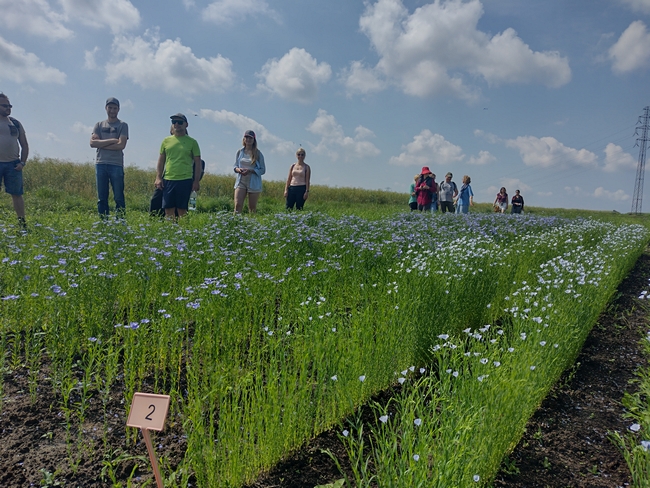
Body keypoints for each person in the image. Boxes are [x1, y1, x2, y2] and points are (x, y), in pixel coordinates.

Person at [154, 113, 201, 220]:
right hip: (168, 179)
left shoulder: (192, 142)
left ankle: (183, 234)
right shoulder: (166, 141)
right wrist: (158, 177)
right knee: (168, 210)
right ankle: (171, 234)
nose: (176, 124)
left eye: (180, 122)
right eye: (174, 122)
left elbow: (198, 163)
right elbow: (161, 160)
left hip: (185, 179)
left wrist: (196, 181)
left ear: (186, 125)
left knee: (182, 210)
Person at [90, 97, 128, 218]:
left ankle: (120, 222)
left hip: (116, 164)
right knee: (102, 197)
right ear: (106, 108)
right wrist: (112, 140)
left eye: (115, 108)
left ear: (118, 109)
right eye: (110, 107)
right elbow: (92, 143)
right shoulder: (99, 125)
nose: (112, 110)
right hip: (100, 163)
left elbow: (121, 145)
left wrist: (101, 144)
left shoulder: (123, 125)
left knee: (118, 197)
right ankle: (103, 222)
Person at [0, 93, 28, 230]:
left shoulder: (15, 123)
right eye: (4, 106)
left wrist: (22, 163)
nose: (8, 108)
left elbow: (24, 145)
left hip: (13, 165)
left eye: (9, 105)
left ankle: (22, 224)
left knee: (17, 194)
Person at [233, 130, 266, 214]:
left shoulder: (258, 153)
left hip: (253, 182)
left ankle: (251, 225)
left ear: (254, 140)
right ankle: (235, 223)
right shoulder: (240, 152)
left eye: (250, 138)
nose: (248, 139)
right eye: (246, 137)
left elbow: (262, 170)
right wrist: (238, 170)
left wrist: (251, 170)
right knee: (237, 205)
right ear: (244, 139)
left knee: (252, 208)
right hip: (241, 181)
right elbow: (235, 166)